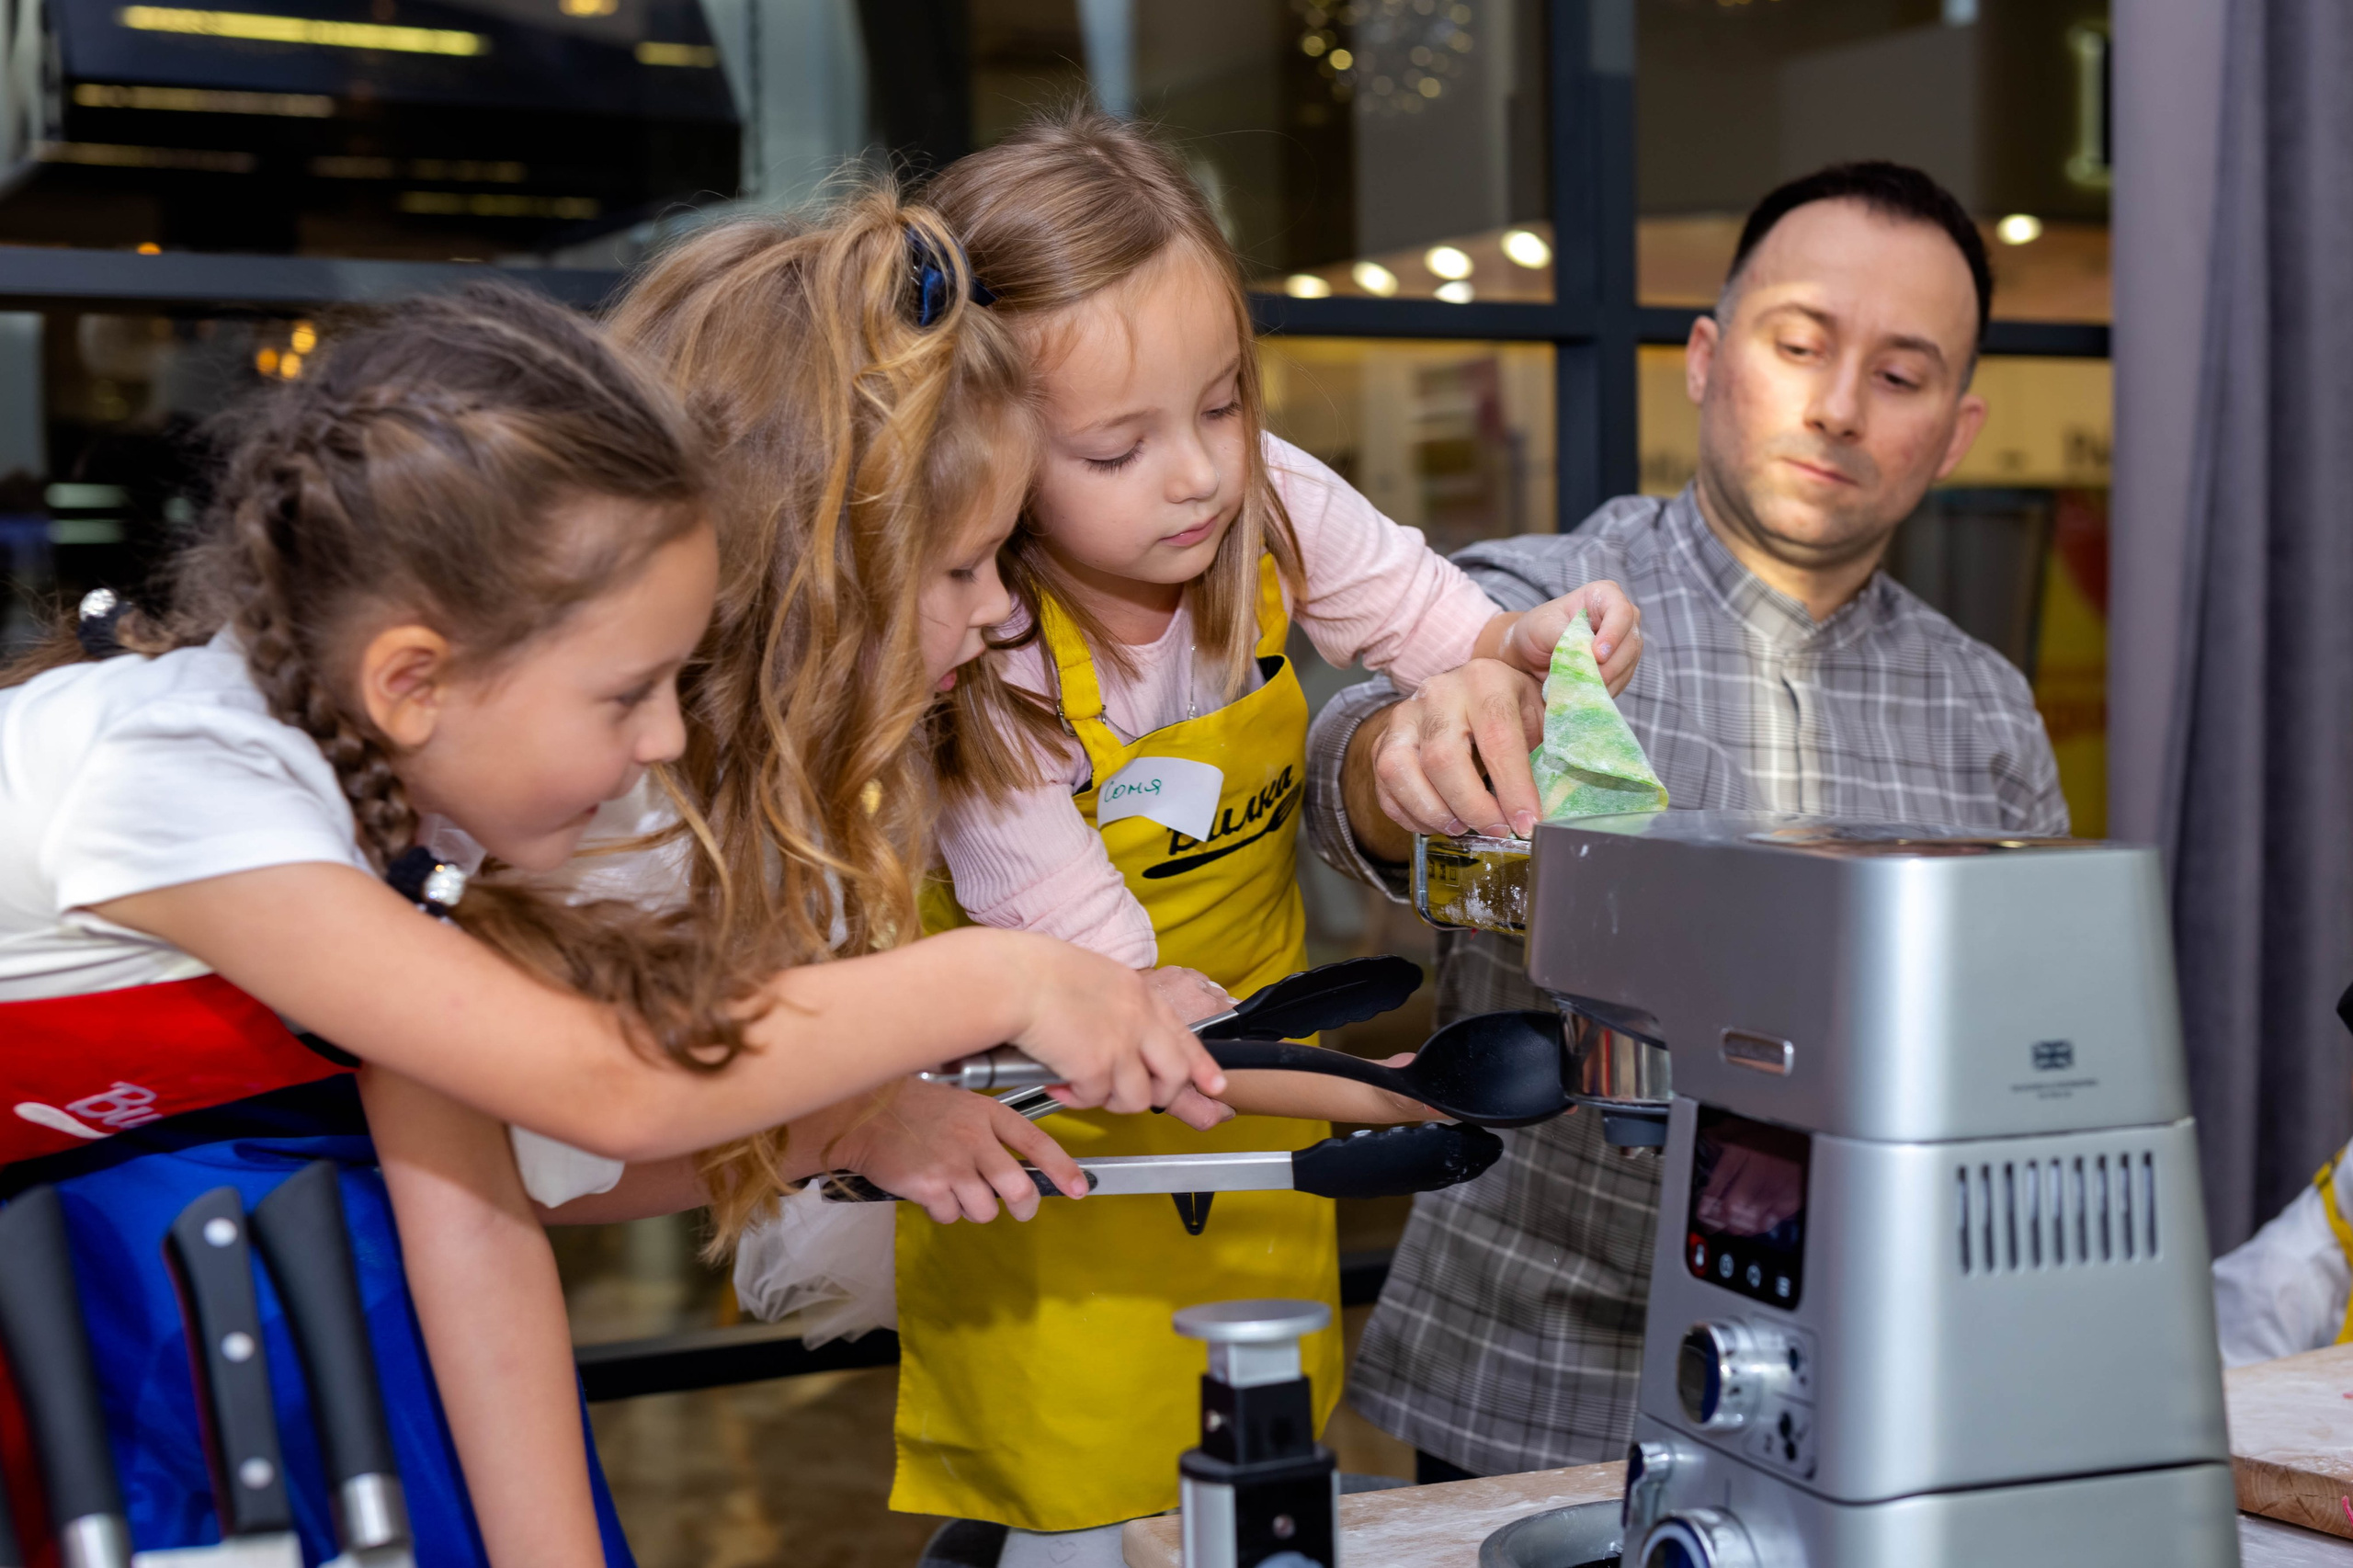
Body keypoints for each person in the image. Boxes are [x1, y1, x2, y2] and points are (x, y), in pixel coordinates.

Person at [0, 285, 1222, 1564]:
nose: (665, 739)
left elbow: (472, 1199)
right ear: (413, 678)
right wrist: (1002, 977)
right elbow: (609, 1087)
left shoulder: (408, 824)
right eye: (628, 692)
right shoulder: (187, 779)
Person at [890, 108, 1642, 1566]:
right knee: (1082, 1527)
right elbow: (1116, 1009)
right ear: (979, 452)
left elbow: (1447, 631)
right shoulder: (981, 665)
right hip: (1065, 1144)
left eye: (1224, 404)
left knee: (1257, 1473)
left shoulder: (1271, 503)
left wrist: (1539, 646)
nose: (1199, 474)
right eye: (1120, 443)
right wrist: (1395, 1095)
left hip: (1258, 1135)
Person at [1302, 162, 2070, 1481]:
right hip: (1540, 1394)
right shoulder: (1546, 607)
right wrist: (1402, 750)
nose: (1837, 407)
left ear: (1955, 428)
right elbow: (1357, 751)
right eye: (1798, 345)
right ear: (1706, 360)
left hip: (1874, 1394)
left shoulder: (1990, 712)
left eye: (1900, 375)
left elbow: (2025, 1053)